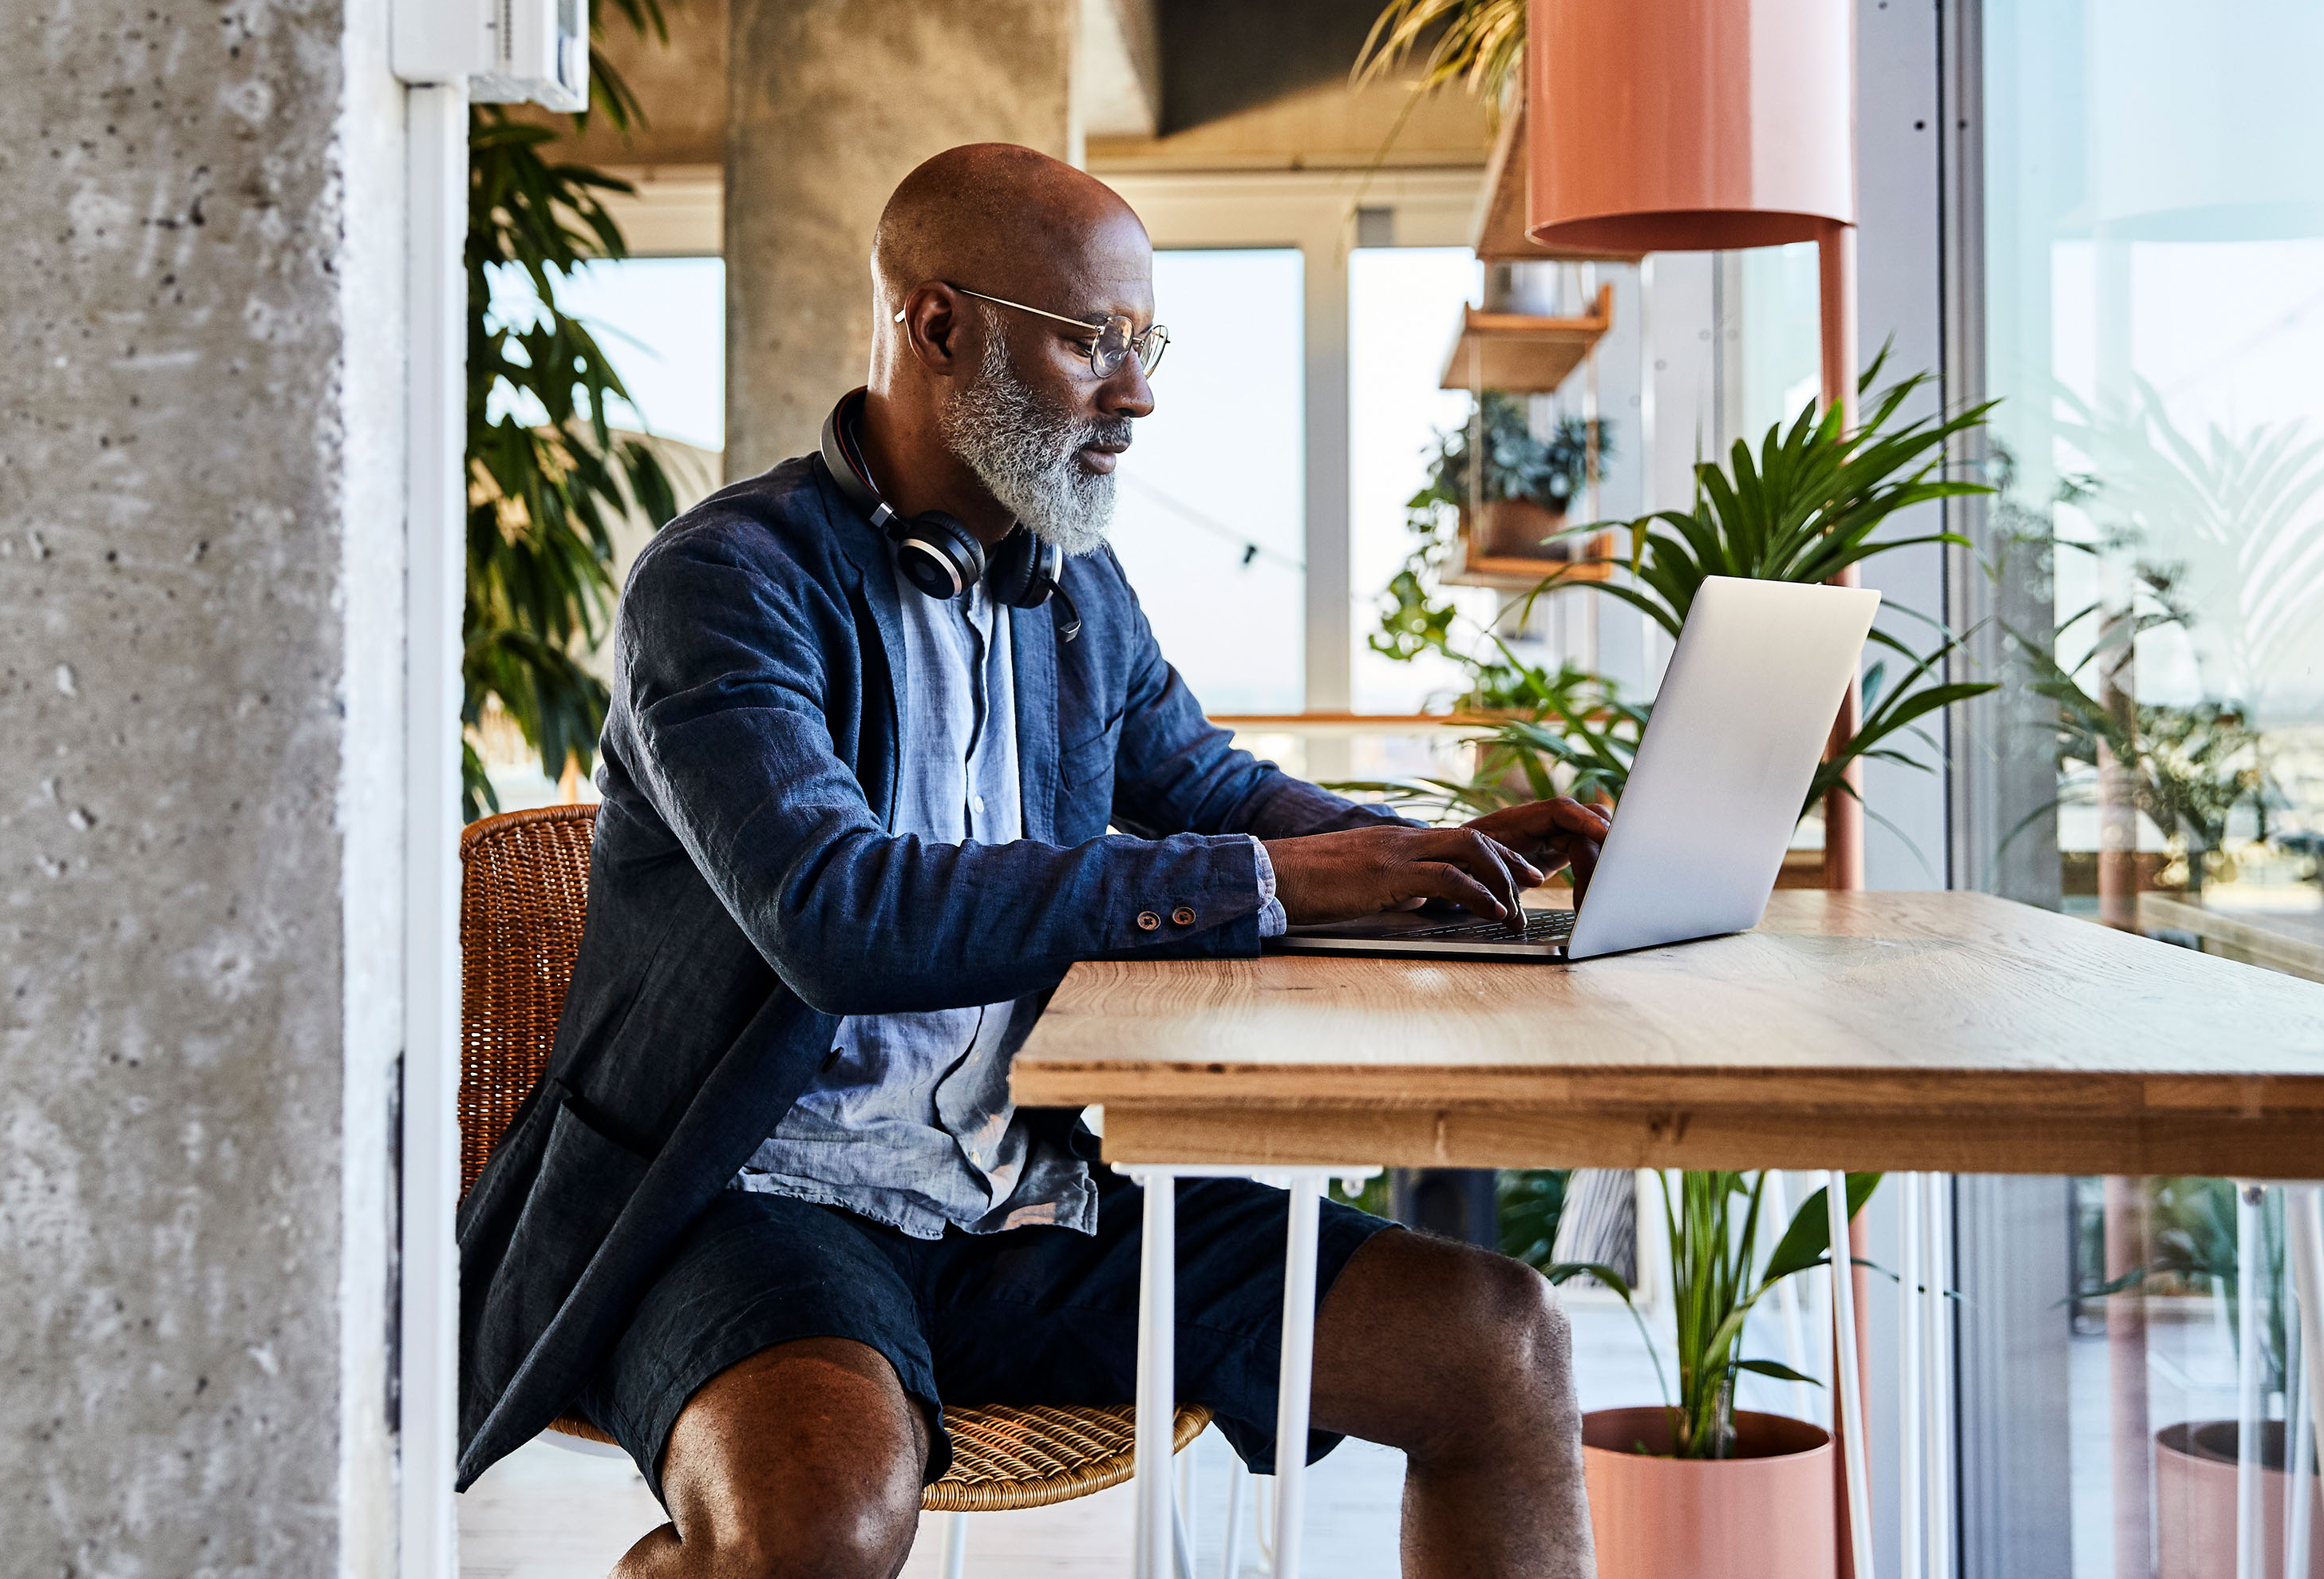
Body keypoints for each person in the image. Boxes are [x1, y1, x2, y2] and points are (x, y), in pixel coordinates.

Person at [457, 144, 1609, 1578]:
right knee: (822, 1524)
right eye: (1092, 343)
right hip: (758, 1202)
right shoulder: (725, 585)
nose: (1136, 394)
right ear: (939, 325)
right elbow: (837, 913)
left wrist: (1422, 854)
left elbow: (1206, 785)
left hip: (1031, 1198)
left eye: (1145, 343)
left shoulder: (1076, 589)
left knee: (1499, 1344)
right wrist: (1282, 889)